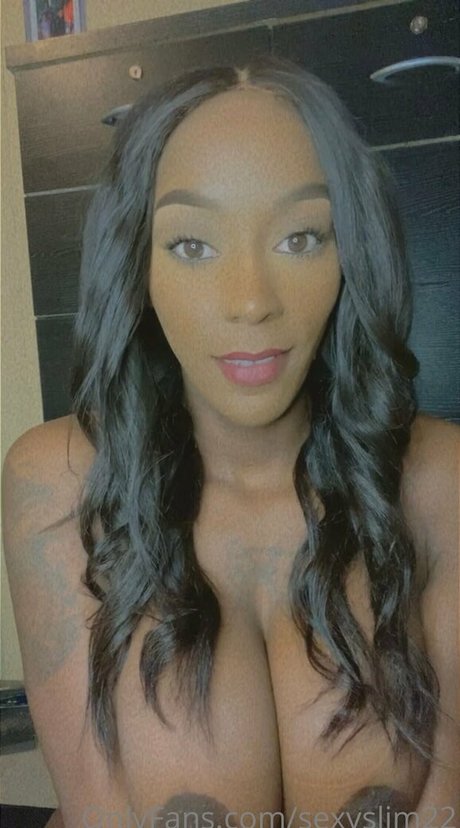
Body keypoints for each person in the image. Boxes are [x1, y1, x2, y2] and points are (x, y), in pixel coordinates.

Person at [2, 54, 459, 828]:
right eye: (192, 246)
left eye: (302, 237)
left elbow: (449, 801)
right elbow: (96, 809)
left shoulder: (441, 478)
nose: (251, 302)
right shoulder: (60, 481)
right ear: (138, 264)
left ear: (352, 253)